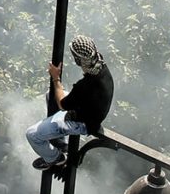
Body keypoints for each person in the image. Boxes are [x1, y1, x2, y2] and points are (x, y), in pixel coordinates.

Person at [26, 35, 113, 170]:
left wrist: (56, 78)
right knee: (51, 94)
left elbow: (62, 104)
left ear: (78, 60)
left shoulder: (85, 86)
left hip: (83, 123)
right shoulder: (101, 66)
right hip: (93, 111)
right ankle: (61, 143)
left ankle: (55, 158)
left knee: (32, 134)